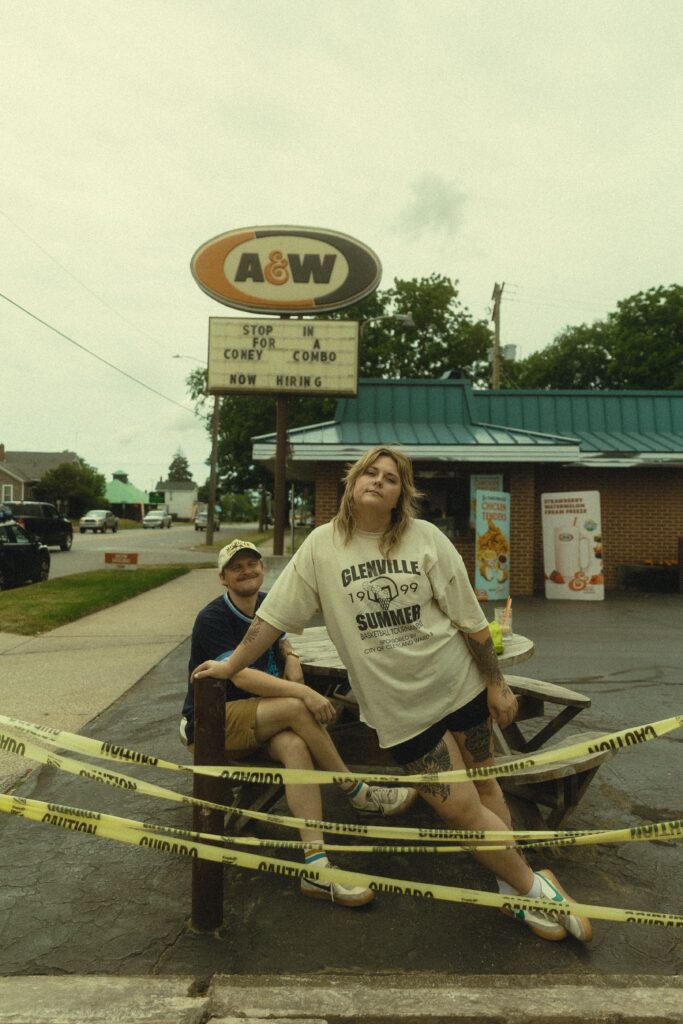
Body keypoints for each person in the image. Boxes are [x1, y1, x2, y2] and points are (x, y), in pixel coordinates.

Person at [193, 449, 594, 943]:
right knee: (459, 809)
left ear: (400, 493)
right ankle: (535, 890)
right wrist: (232, 665)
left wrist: (495, 682)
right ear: (352, 481)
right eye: (370, 472)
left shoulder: (426, 539)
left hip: (459, 684)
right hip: (402, 712)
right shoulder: (322, 547)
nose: (378, 482)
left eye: (390, 478)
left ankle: (511, 886)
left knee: (487, 787)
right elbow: (273, 619)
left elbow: (470, 621)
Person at [182, 537, 417, 909]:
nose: (247, 571)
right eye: (236, 567)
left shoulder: (264, 604)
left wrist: (289, 654)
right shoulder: (213, 618)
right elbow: (239, 676)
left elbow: (278, 636)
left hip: (259, 715)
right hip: (214, 722)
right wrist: (306, 694)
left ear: (262, 568)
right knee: (298, 707)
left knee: (295, 745)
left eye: (252, 564)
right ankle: (356, 790)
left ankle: (316, 867)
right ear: (223, 578)